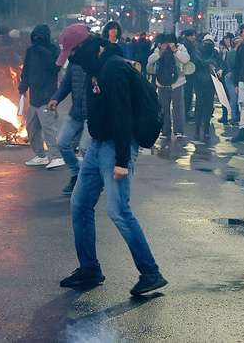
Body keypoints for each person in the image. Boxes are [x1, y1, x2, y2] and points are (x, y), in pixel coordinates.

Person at [56, 26, 168, 296]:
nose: (71, 61)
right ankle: (89, 269)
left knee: (119, 211)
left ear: (84, 48)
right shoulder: (95, 66)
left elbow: (123, 116)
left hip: (117, 146)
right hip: (98, 145)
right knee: (80, 204)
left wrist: (120, 161)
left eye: (72, 55)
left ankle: (150, 273)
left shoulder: (114, 69)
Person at [49, 24, 92, 195]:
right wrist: (55, 98)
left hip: (93, 114)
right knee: (62, 143)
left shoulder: (99, 60)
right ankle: (76, 175)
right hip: (76, 111)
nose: (71, 55)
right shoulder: (74, 63)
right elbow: (66, 84)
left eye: (71, 51)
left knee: (85, 148)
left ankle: (88, 181)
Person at [19, 24, 63, 169]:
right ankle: (41, 155)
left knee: (48, 129)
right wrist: (23, 86)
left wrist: (43, 52)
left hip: (47, 97)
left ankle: (56, 156)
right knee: (31, 129)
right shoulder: (30, 51)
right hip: (34, 98)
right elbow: (26, 70)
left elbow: (55, 68)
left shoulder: (53, 50)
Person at [147, 33, 190, 139]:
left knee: (178, 108)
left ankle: (178, 131)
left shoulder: (180, 47)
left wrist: (175, 50)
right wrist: (160, 51)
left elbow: (186, 59)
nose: (167, 44)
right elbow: (150, 60)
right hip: (161, 83)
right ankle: (165, 130)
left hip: (177, 83)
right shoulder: (158, 48)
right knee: (163, 108)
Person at [195, 34, 221, 141]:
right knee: (205, 106)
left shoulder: (199, 50)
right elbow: (200, 63)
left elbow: (199, 63)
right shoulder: (213, 52)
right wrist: (212, 64)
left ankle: (201, 130)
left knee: (202, 106)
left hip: (203, 82)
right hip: (207, 82)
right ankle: (203, 130)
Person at [181, 29, 201, 120]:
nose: (194, 37)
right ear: (188, 36)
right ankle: (185, 113)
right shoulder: (186, 46)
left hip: (191, 72)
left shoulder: (192, 45)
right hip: (188, 72)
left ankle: (186, 113)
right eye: (192, 35)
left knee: (188, 94)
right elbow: (192, 58)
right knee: (187, 94)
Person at [223, 36, 241, 125]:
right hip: (233, 77)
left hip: (232, 77)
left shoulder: (230, 53)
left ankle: (235, 117)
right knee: (235, 99)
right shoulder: (231, 53)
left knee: (234, 98)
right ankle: (235, 117)